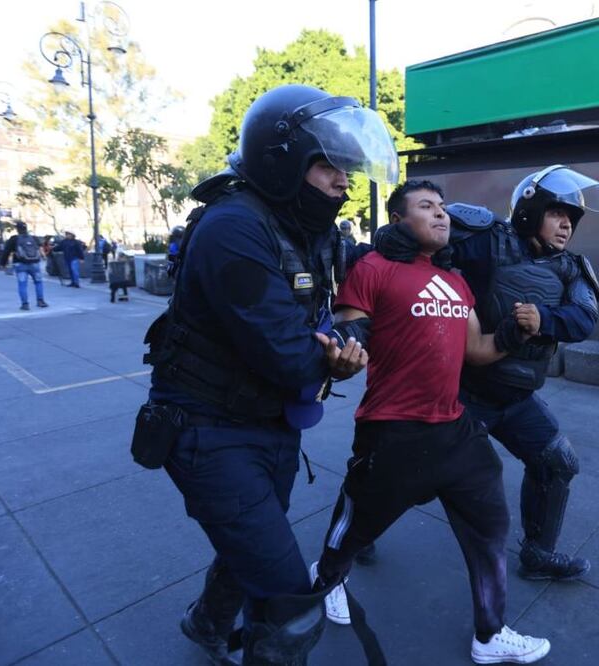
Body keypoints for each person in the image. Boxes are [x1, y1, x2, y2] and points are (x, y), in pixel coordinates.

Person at [137, 83, 397, 666]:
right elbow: (292, 357)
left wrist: (355, 325)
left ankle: (206, 623)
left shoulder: (308, 229)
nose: (344, 181)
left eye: (346, 169)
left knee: (252, 546)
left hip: (270, 424)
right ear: (283, 162)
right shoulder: (234, 227)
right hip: (208, 431)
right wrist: (340, 348)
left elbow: (361, 286)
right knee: (289, 604)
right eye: (329, 166)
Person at [313, 180, 552, 664]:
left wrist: (515, 333)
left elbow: (477, 350)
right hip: (393, 428)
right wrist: (341, 352)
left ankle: (490, 634)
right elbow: (350, 329)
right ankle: (326, 577)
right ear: (398, 220)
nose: (441, 214)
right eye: (427, 206)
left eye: (443, 207)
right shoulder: (373, 268)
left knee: (490, 524)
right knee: (359, 524)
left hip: (454, 426)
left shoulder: (454, 280)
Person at [433, 164, 599, 583]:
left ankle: (539, 553)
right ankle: (354, 536)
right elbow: (429, 237)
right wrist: (397, 241)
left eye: (572, 218)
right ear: (530, 210)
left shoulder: (571, 268)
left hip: (516, 398)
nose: (566, 224)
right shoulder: (487, 239)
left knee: (557, 462)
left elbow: (584, 319)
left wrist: (543, 318)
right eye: (557, 213)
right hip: (464, 393)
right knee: (411, 473)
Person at [0, 221, 49, 311]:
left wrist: (3, 264)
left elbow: (6, 251)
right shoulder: (33, 238)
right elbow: (40, 249)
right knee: (38, 282)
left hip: (20, 264)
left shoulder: (14, 239)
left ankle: (25, 304)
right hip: (34, 263)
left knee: (22, 284)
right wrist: (44, 257)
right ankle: (40, 301)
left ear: (17, 229)